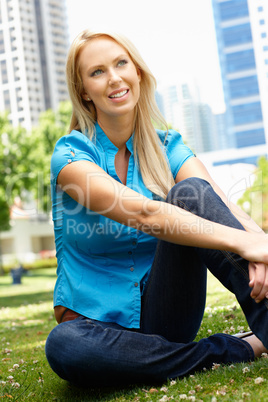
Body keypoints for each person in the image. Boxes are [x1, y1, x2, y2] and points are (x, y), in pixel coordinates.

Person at [45, 29, 268, 387]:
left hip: (166, 314)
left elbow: (221, 204)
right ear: (84, 90)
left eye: (121, 63)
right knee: (64, 345)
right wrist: (244, 242)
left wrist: (259, 243)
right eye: (97, 71)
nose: (114, 77)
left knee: (192, 191)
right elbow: (143, 214)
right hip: (96, 332)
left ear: (137, 72)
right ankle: (239, 348)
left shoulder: (168, 145)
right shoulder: (70, 156)